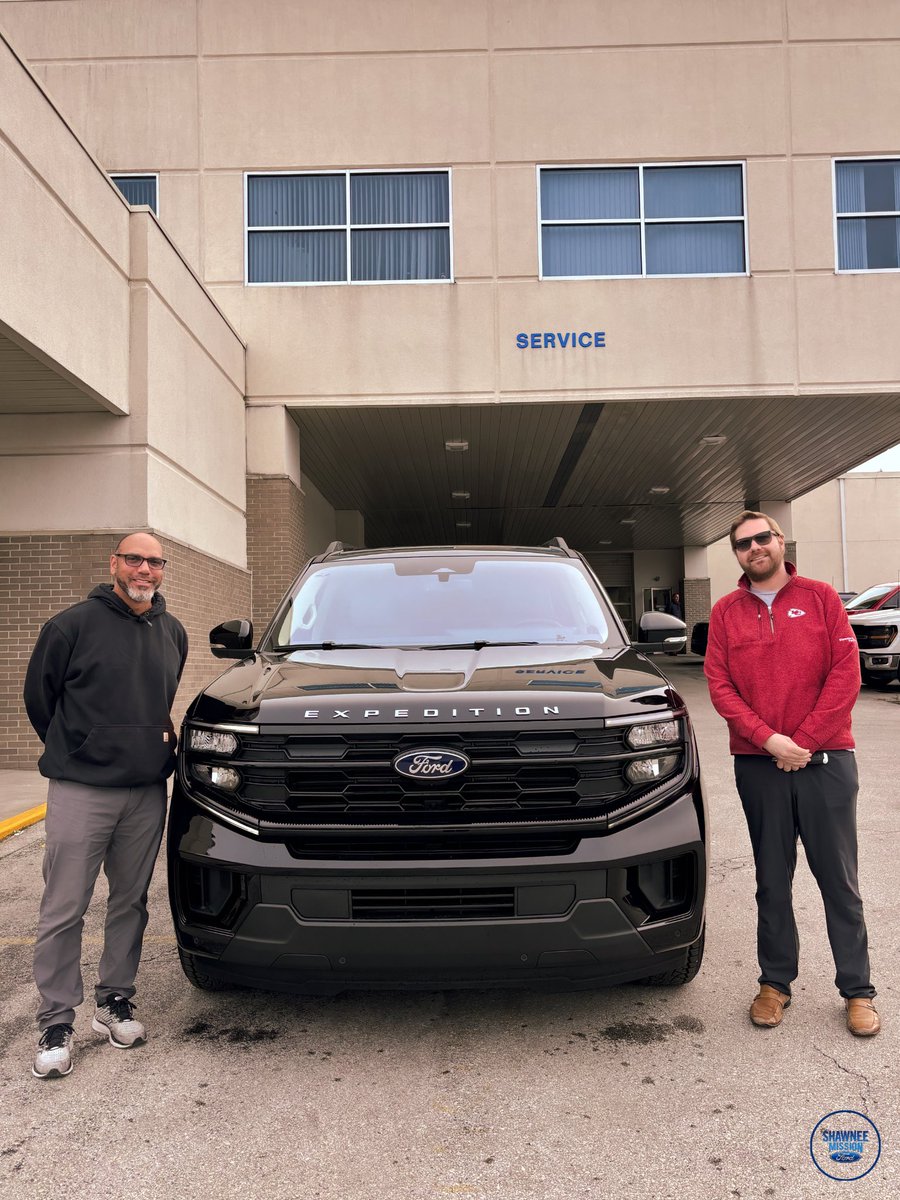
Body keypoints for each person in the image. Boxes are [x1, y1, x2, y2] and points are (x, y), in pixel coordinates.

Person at [704, 511, 879, 1037]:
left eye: (762, 538)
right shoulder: (726, 612)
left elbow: (846, 674)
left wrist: (802, 741)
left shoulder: (822, 598)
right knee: (771, 880)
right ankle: (775, 983)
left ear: (780, 542)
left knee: (839, 880)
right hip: (759, 765)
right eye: (743, 544)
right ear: (735, 554)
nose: (754, 547)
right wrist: (769, 739)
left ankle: (857, 990)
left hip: (826, 761)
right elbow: (719, 686)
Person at [24, 532, 188, 1078]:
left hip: (145, 792)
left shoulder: (173, 632)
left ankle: (114, 1000)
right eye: (134, 559)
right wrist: (82, 748)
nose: (145, 569)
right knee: (64, 908)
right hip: (81, 789)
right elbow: (40, 701)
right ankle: (56, 1020)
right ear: (113, 563)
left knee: (130, 902)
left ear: (163, 570)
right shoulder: (70, 626)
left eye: (155, 562)